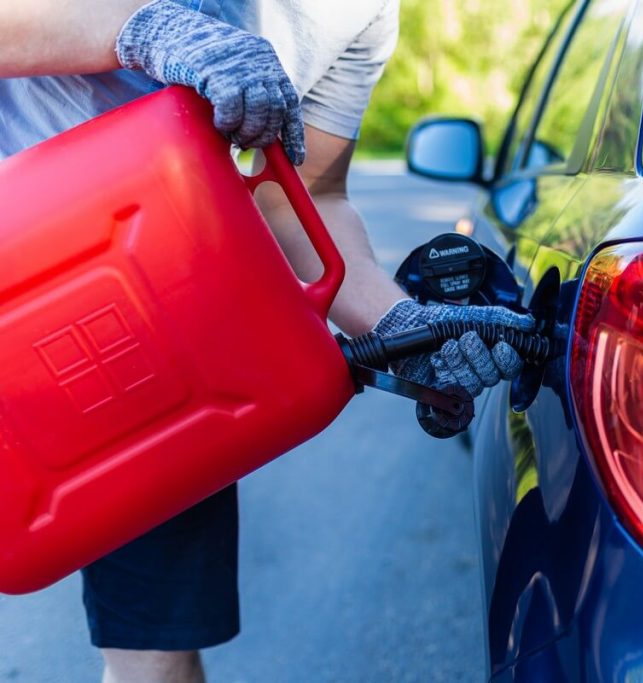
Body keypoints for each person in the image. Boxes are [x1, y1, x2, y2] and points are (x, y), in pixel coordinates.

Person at [0, 2, 531, 681]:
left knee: (154, 648)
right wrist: (141, 29)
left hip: (155, 351)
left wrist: (402, 327)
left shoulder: (359, 14)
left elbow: (302, 203)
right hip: (19, 269)